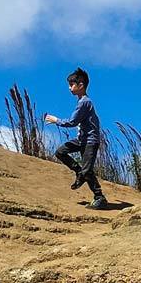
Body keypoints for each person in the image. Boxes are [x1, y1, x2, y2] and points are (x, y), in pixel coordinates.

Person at [44, 68, 108, 209]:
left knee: (87, 171)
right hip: (81, 140)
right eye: (69, 84)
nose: (69, 87)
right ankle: (79, 172)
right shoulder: (81, 102)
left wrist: (56, 120)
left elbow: (72, 122)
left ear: (81, 85)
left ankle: (99, 197)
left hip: (90, 141)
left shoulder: (85, 102)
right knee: (60, 152)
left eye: (72, 84)